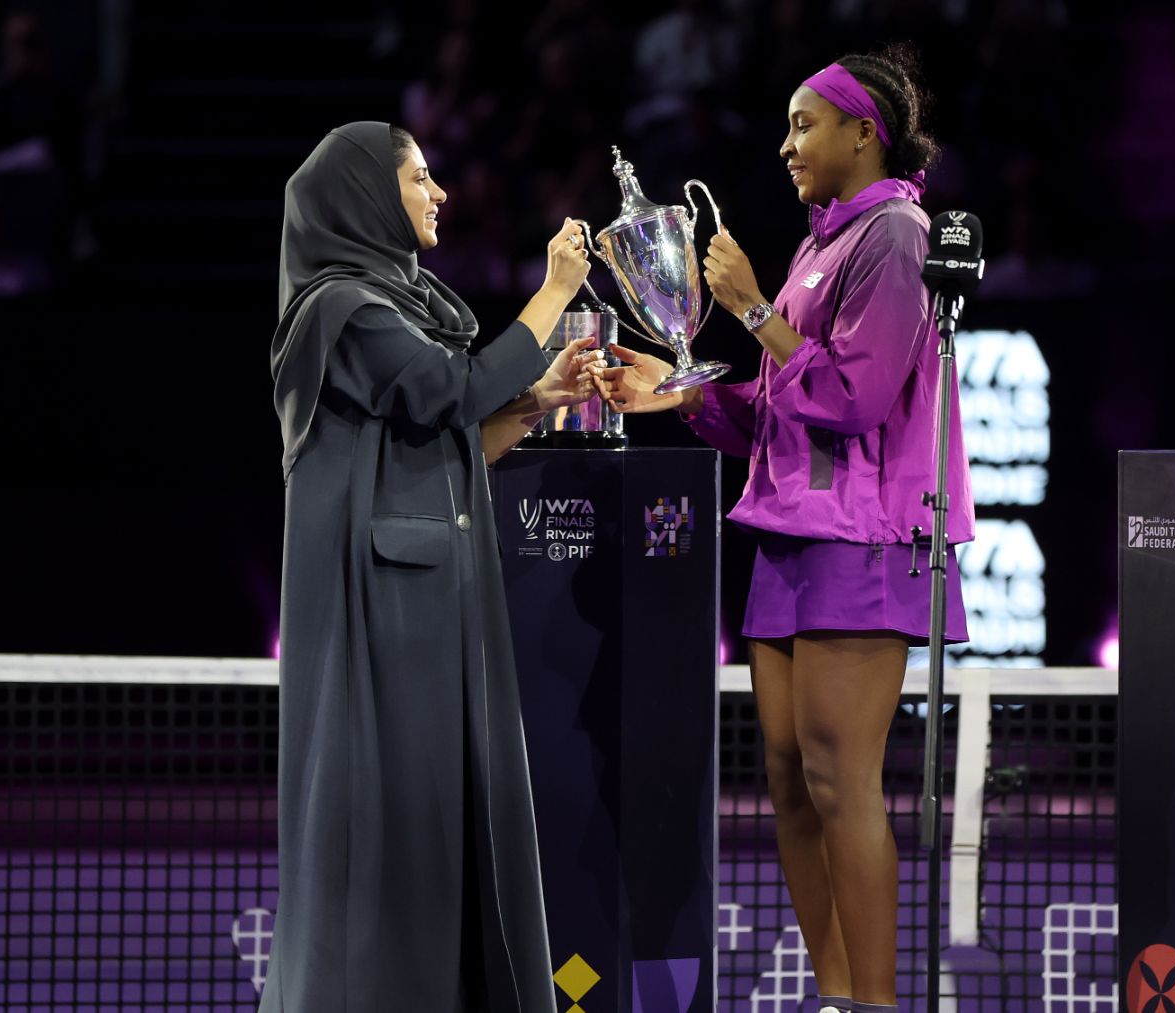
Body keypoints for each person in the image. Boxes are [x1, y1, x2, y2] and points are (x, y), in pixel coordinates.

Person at [595, 46, 971, 1013]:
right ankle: (837, 994)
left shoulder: (894, 234)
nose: (787, 143)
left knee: (842, 780)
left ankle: (877, 1004)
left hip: (866, 541)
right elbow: (777, 412)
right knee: (794, 785)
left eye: (806, 124)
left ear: (863, 132)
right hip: (790, 534)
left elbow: (854, 396)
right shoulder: (820, 246)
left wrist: (752, 308)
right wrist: (675, 396)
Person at [263, 120, 597, 1013]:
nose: (439, 193)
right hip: (386, 617)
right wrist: (555, 292)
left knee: (450, 823)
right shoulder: (342, 310)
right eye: (418, 178)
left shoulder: (399, 309)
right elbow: (443, 390)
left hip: (443, 613)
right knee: (392, 821)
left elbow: (447, 445)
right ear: (369, 196)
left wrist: (534, 402)